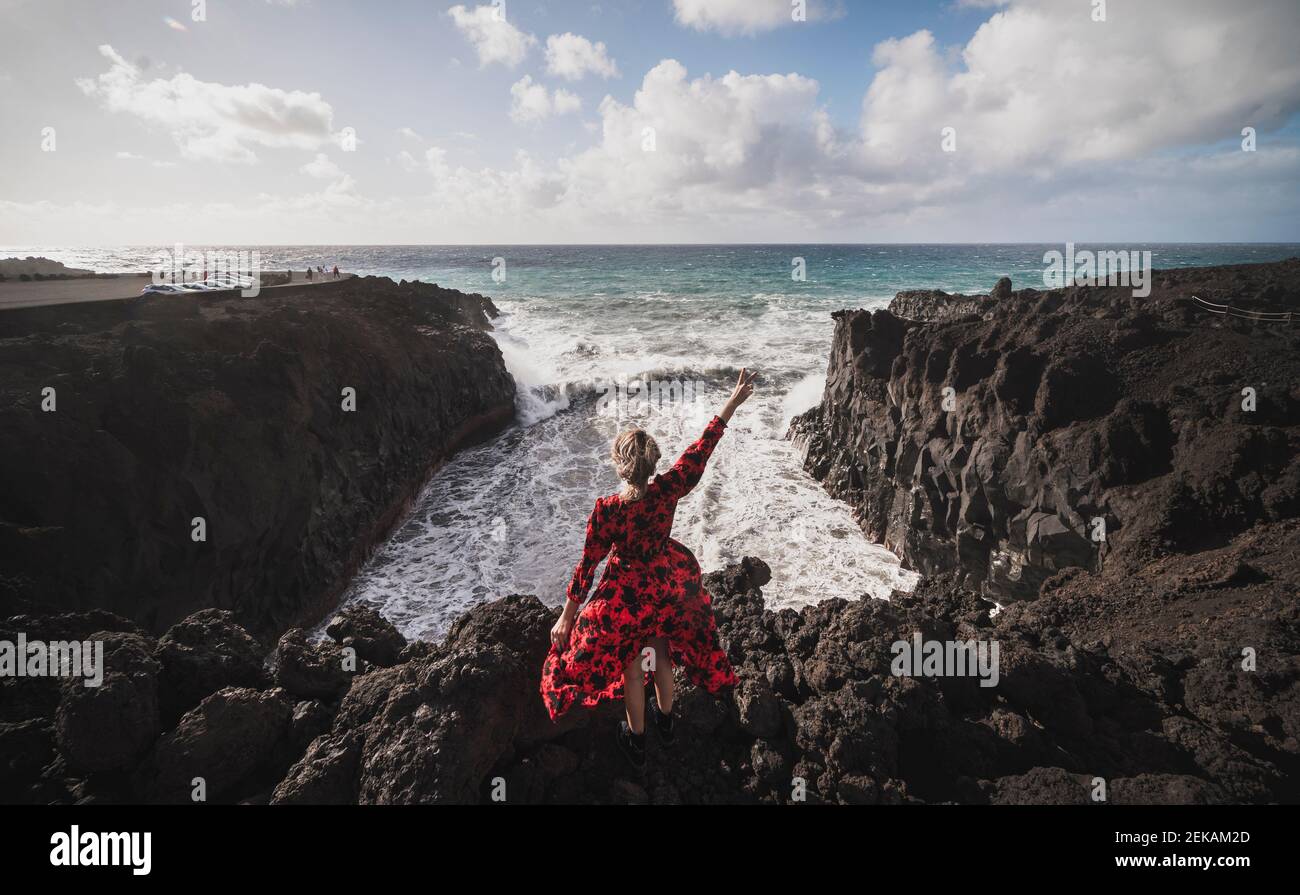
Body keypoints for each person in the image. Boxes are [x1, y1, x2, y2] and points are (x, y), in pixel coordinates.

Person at [540, 368, 758, 770]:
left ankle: (637, 741)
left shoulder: (608, 511)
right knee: (659, 652)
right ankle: (668, 724)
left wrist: (566, 619)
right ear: (652, 463)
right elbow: (701, 449)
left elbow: (588, 567)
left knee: (631, 666)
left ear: (620, 466)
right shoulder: (669, 488)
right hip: (667, 585)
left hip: (626, 597)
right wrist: (732, 402)